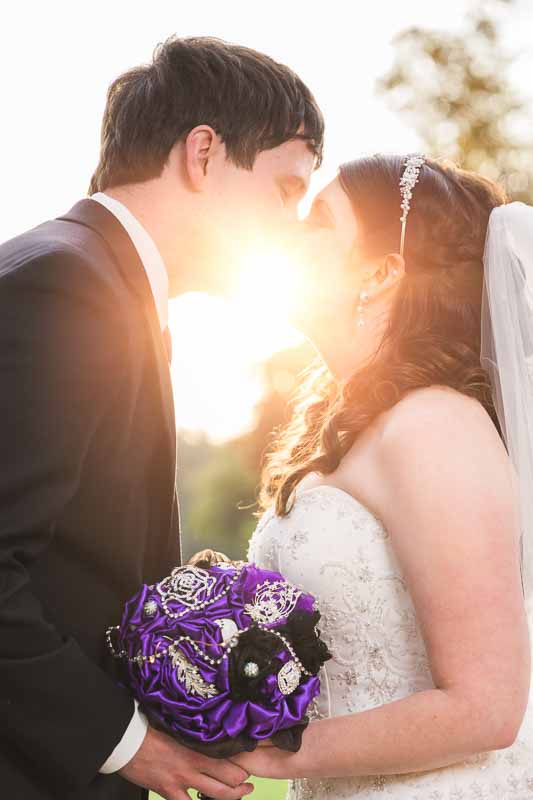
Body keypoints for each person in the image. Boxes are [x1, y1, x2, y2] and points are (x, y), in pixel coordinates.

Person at [0, 35, 323, 800]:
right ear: (203, 154)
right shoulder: (64, 286)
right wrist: (125, 742)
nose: (292, 225)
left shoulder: (87, 277)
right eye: (285, 190)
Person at [239, 154, 533, 797]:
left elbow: (487, 707)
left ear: (380, 273)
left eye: (318, 221)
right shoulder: (353, 425)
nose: (289, 233)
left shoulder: (434, 424)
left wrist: (270, 751)